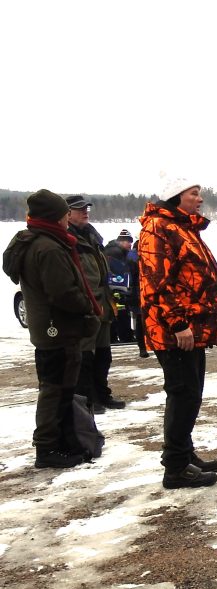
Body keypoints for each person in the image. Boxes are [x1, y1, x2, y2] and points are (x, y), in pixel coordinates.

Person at [3, 190, 102, 468]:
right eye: (63, 215)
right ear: (54, 217)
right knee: (55, 390)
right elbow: (64, 292)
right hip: (56, 329)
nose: (66, 220)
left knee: (56, 388)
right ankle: (48, 448)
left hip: (50, 328)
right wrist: (88, 307)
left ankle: (58, 442)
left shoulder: (40, 242)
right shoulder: (47, 247)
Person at [138, 177, 217, 489]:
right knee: (182, 393)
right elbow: (155, 282)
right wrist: (177, 324)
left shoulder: (182, 226)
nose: (199, 199)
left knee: (192, 393)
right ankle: (175, 467)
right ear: (176, 197)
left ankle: (184, 454)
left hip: (191, 328)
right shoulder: (158, 228)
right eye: (193, 193)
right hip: (174, 330)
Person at [66, 195, 124, 414]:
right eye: (79, 209)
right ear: (67, 213)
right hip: (86, 306)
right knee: (85, 357)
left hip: (102, 302)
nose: (85, 211)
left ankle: (102, 394)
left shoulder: (90, 235)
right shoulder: (67, 237)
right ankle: (88, 400)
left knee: (103, 355)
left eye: (86, 208)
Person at [104, 229, 135, 344]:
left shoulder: (118, 252)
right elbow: (119, 270)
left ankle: (120, 335)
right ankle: (122, 335)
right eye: (128, 241)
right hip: (116, 287)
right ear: (121, 241)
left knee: (119, 311)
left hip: (117, 286)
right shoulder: (115, 253)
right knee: (120, 310)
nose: (130, 244)